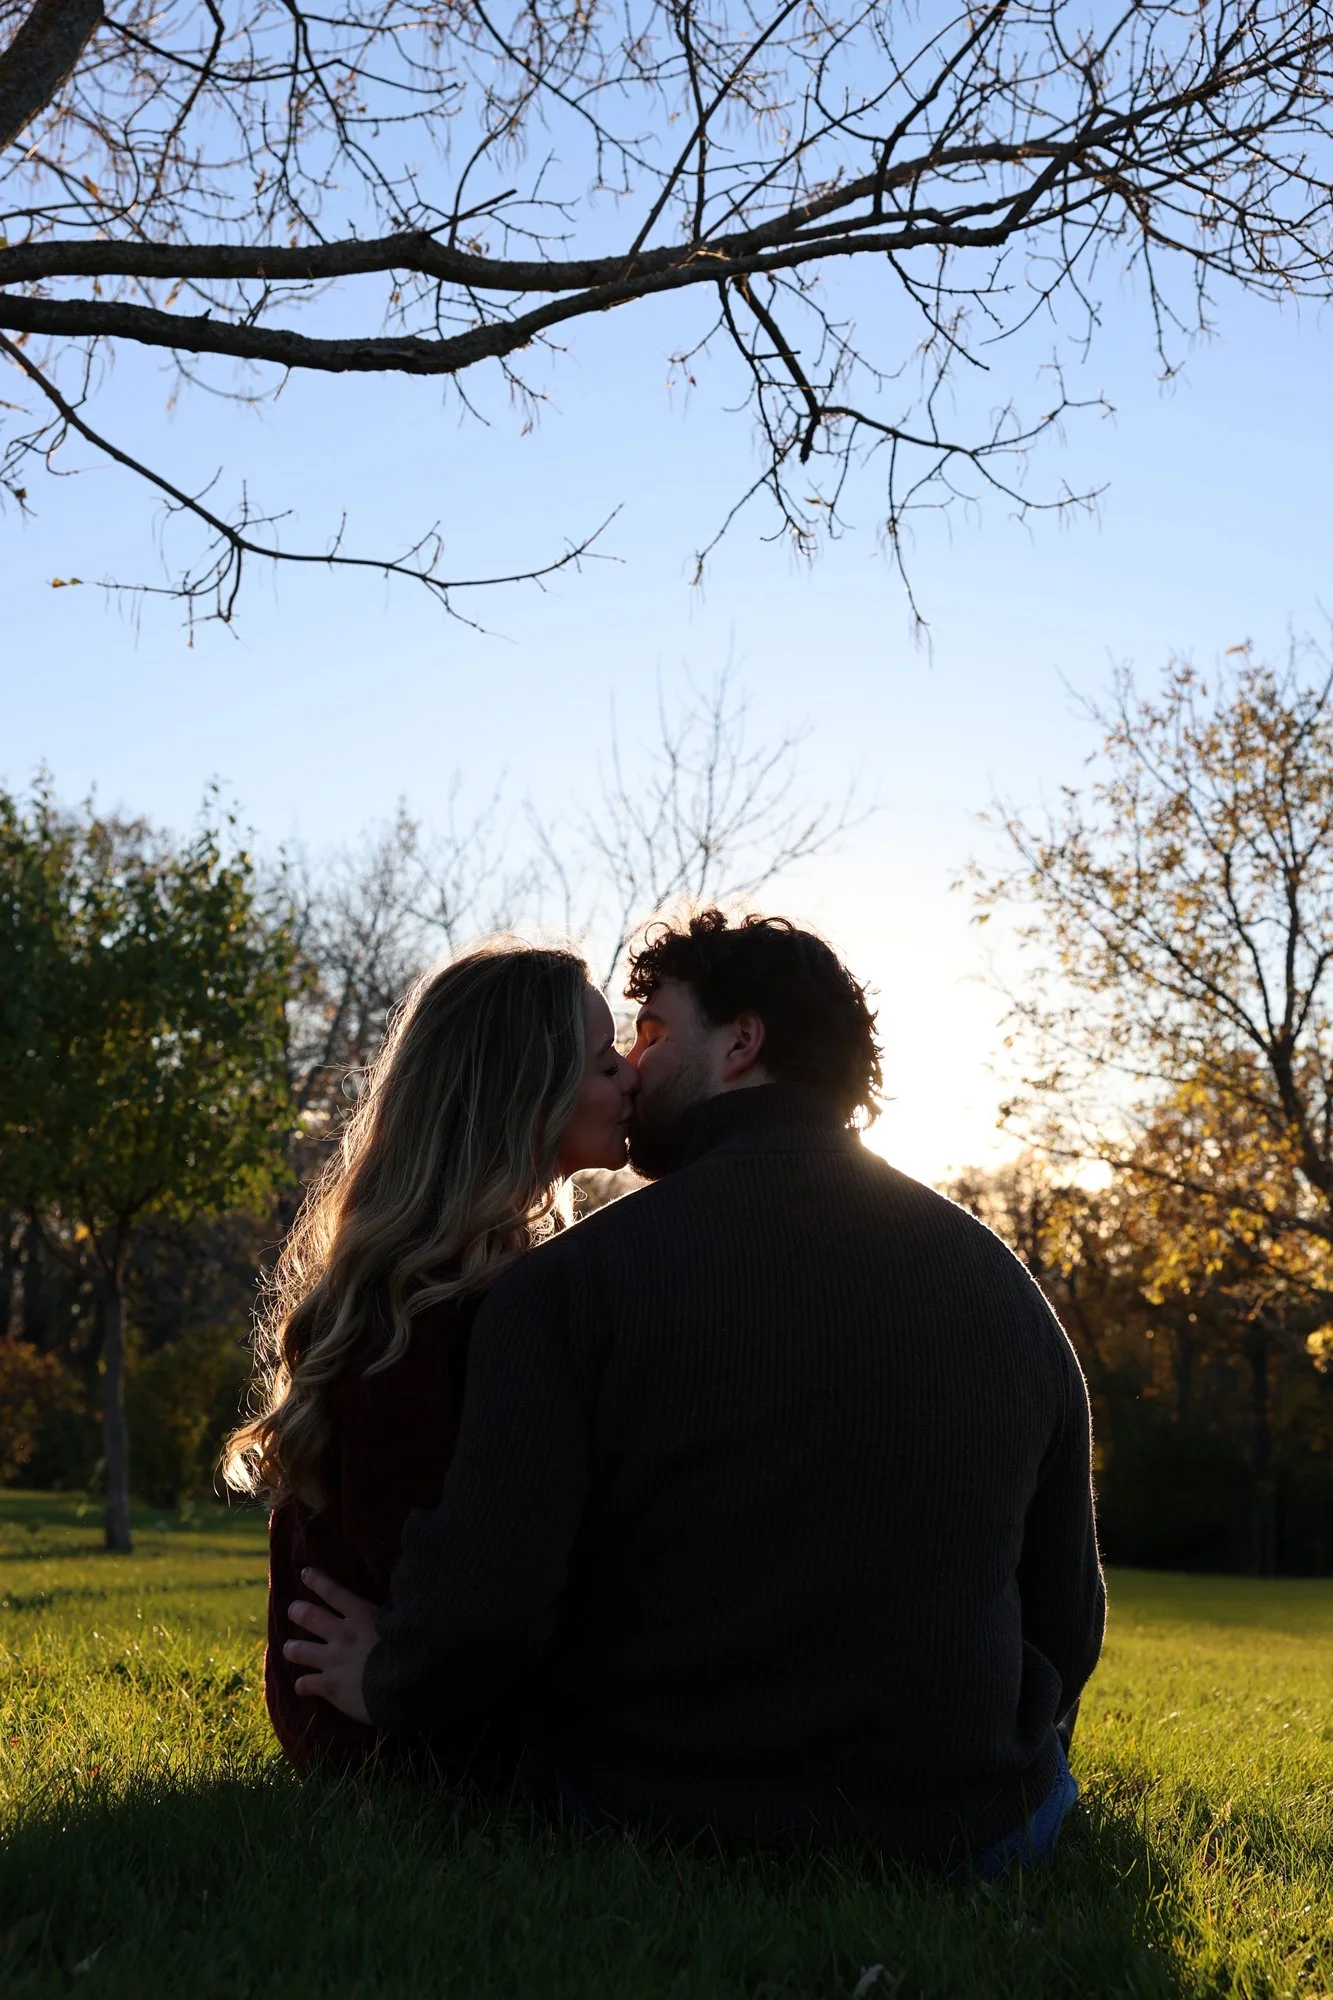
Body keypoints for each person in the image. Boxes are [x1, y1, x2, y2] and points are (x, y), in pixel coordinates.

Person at [285, 911, 1104, 1871]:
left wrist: (393, 1683)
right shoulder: (998, 1284)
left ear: (742, 1043)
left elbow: (488, 1596)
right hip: (972, 1830)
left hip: (647, 1813)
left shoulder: (572, 1285)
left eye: (655, 1031)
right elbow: (1066, 1616)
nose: (632, 1064)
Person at [221, 941, 639, 1771]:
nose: (630, 1076)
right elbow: (419, 1566)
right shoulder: (417, 1321)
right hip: (394, 1738)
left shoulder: (494, 1283)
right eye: (603, 1064)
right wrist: (395, 1672)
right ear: (525, 1098)